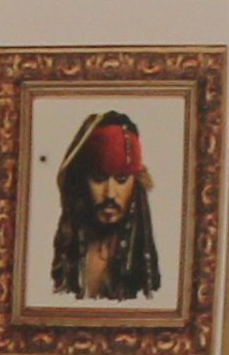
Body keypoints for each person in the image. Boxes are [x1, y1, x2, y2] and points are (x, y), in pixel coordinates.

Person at [49, 110, 164, 304]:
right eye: (99, 178)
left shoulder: (141, 262)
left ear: (136, 184)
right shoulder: (70, 253)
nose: (110, 194)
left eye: (121, 179)